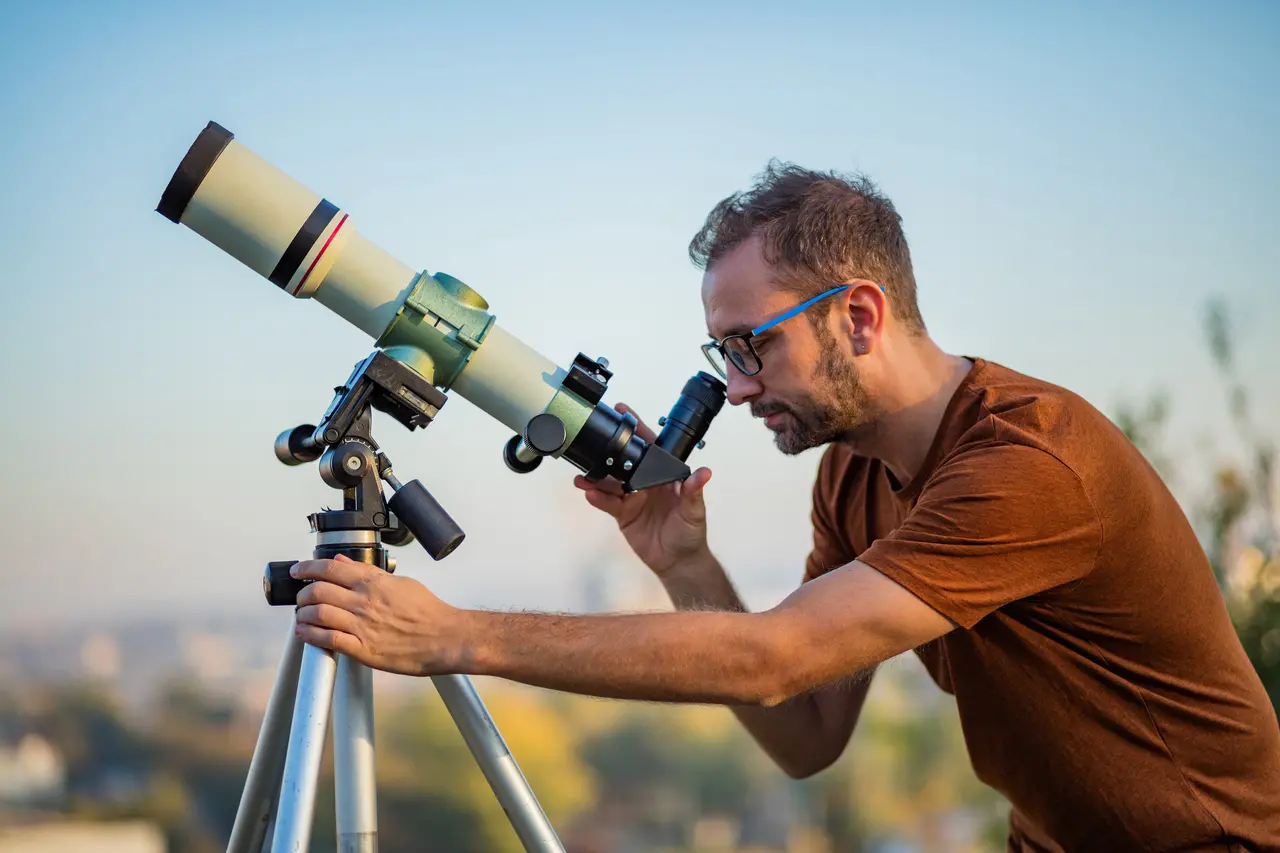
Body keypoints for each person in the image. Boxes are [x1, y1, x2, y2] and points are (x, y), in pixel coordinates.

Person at [288, 162, 1280, 851]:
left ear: (857, 314)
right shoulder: (849, 476)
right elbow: (805, 734)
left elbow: (775, 659)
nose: (739, 386)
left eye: (749, 345)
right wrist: (684, 565)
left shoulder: (1027, 463)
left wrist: (454, 636)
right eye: (723, 356)